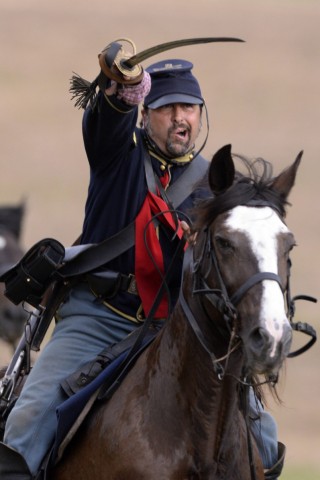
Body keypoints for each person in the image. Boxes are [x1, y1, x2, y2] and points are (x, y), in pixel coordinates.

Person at [0, 46, 284, 479]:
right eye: (166, 107)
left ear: (201, 114)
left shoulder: (219, 188)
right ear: (145, 113)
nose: (180, 117)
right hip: (98, 316)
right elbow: (103, 123)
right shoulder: (118, 157)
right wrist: (122, 91)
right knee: (27, 423)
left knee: (265, 437)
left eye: (188, 107)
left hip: (176, 325)